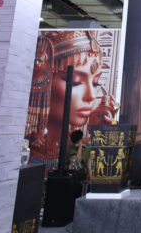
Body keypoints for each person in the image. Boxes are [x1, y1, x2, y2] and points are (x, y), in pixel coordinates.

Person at [29, 30, 117, 165]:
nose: (91, 96)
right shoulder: (20, 146)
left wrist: (101, 135)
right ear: (41, 82)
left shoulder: (82, 148)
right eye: (76, 82)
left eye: (95, 83)